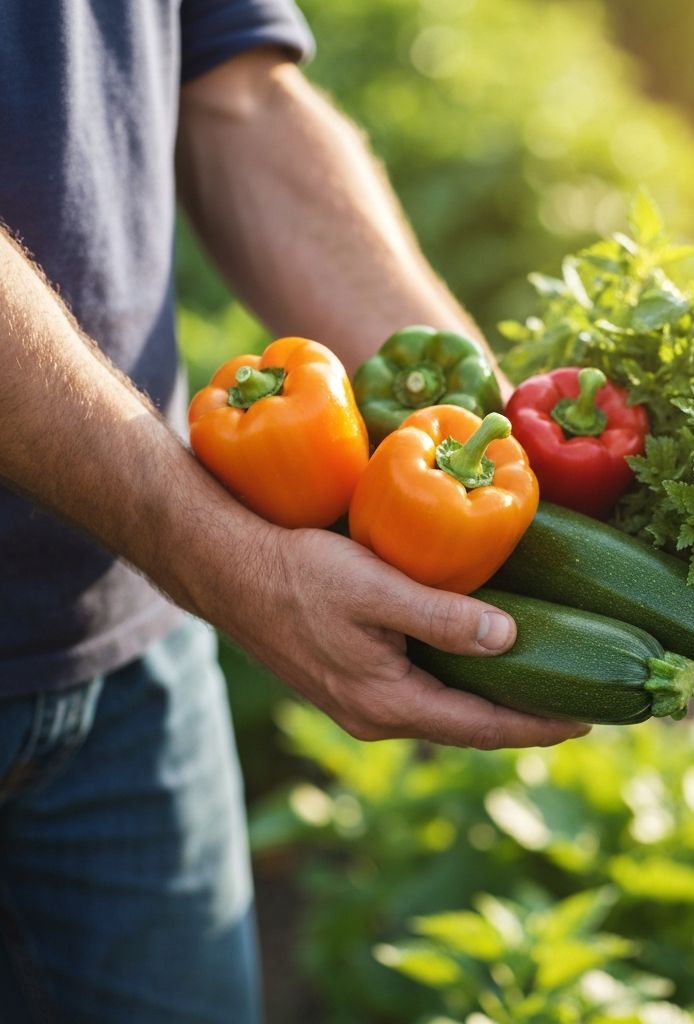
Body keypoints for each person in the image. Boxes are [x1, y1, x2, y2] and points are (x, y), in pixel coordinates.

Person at [0, 2, 588, 1020]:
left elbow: (239, 95)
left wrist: (496, 444)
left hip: (129, 649)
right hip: (162, 556)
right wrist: (217, 553)